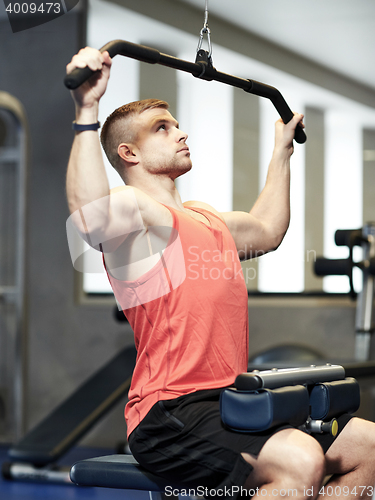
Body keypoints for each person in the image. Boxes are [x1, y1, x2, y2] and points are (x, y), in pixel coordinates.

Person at [66, 47, 375, 499]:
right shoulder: (134, 213)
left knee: (367, 445)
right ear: (128, 152)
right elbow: (90, 217)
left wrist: (281, 151)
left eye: (176, 122)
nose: (181, 131)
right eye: (162, 127)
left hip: (234, 399)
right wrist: (87, 109)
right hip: (170, 413)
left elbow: (268, 230)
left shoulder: (205, 217)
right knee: (300, 460)